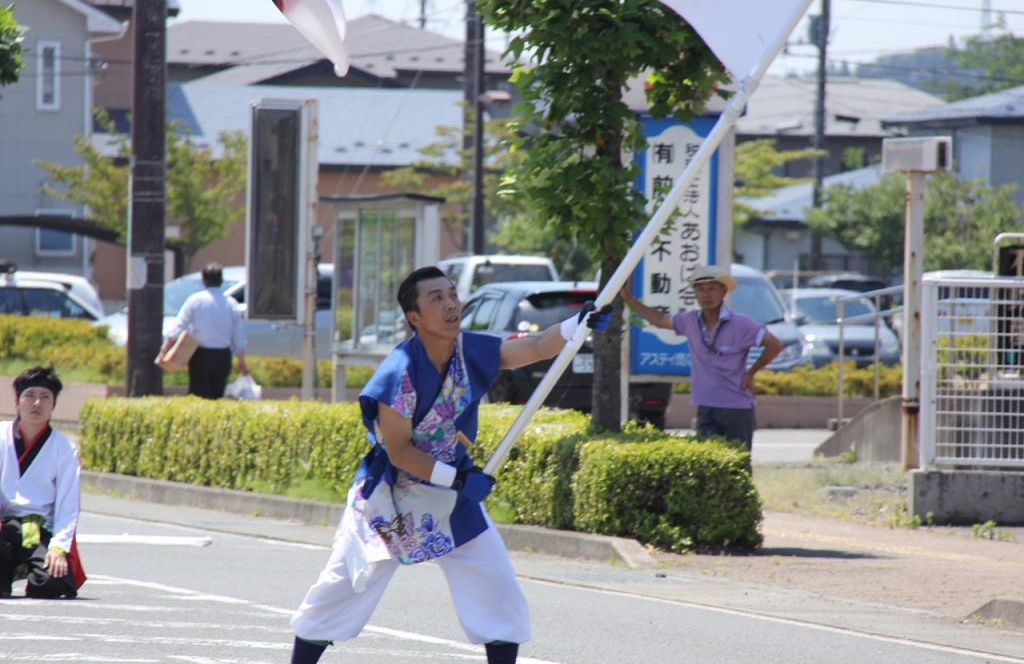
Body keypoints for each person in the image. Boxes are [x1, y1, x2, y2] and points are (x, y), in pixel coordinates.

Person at [289, 266, 610, 664]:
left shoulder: (471, 349)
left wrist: (576, 323)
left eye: (452, 294)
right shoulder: (399, 372)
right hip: (391, 495)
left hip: (453, 495)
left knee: (495, 585)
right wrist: (457, 480)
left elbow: (535, 347)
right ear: (415, 318)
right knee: (346, 583)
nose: (450, 303)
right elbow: (400, 451)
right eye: (436, 298)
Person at [622, 264, 784, 453]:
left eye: (711, 288)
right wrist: (629, 300)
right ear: (695, 294)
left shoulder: (742, 324)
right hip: (705, 405)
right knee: (709, 463)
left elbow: (775, 345)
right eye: (700, 289)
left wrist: (751, 373)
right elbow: (659, 320)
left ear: (723, 291)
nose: (706, 294)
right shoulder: (689, 321)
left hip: (736, 407)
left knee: (738, 463)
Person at [0, 366, 85, 598]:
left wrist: (59, 548)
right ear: (17, 401)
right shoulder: (1, 437)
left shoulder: (64, 448)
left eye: (45, 397)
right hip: (3, 529)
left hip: (40, 530)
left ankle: (32, 567)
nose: (37, 403)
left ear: (54, 405)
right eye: (30, 395)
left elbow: (68, 506)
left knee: (50, 584)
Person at [163, 262, 250, 399]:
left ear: (204, 280)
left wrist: (167, 347)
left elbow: (179, 326)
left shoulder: (195, 301)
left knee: (198, 396)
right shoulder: (231, 304)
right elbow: (238, 337)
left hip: (200, 355)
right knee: (217, 396)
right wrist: (242, 363)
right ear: (220, 280)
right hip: (223, 356)